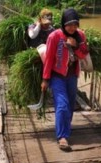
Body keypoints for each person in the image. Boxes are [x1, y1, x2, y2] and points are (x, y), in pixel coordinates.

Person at [41, 8, 89, 151]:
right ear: (63, 23)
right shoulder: (54, 36)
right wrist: (45, 79)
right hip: (57, 76)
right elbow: (49, 59)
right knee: (62, 105)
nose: (72, 27)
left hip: (72, 76)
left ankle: (65, 129)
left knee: (69, 106)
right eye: (69, 24)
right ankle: (62, 137)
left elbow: (83, 55)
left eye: (75, 24)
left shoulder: (80, 35)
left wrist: (75, 45)